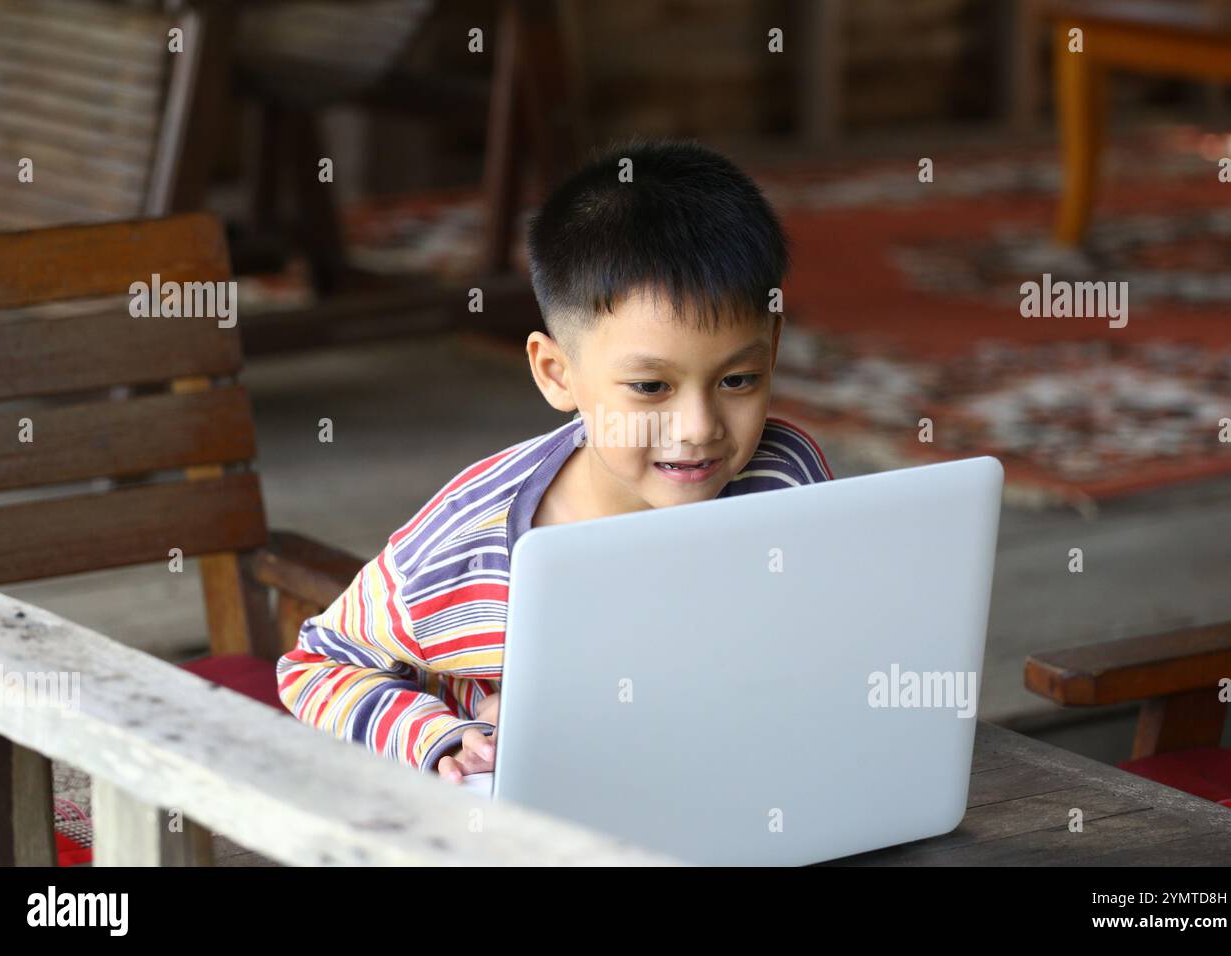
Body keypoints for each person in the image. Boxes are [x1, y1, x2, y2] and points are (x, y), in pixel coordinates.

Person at [277, 138, 834, 783]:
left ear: (773, 348)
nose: (699, 430)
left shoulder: (785, 475)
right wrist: (446, 736)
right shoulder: (467, 549)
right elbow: (315, 666)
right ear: (556, 374)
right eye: (651, 388)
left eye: (739, 380)